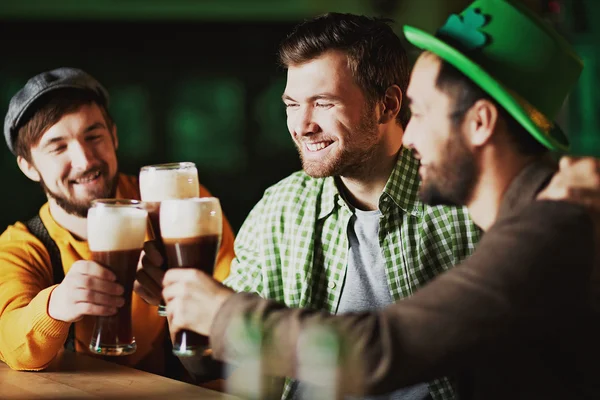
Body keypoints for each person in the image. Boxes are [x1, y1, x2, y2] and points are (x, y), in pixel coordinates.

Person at [162, 1, 600, 399]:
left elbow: (376, 350)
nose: (409, 135)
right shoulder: (550, 211)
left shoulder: (543, 232)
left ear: (480, 123)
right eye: (292, 104)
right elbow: (219, 365)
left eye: (422, 112)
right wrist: (186, 313)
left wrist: (223, 312)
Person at [142, 12, 480, 400]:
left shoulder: (464, 206)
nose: (301, 125)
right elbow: (216, 365)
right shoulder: (281, 208)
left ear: (387, 105)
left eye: (323, 103)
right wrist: (179, 305)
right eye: (291, 104)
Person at [0, 67, 236, 380]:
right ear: (28, 166)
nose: (84, 160)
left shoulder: (176, 203)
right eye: (58, 147)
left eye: (93, 136)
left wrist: (187, 298)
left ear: (114, 135)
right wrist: (55, 305)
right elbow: (11, 344)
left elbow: (239, 304)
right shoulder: (23, 245)